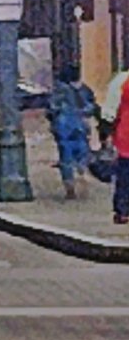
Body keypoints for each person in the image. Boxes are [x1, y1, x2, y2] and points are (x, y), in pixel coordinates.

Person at [47, 63, 98, 200]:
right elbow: (92, 107)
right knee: (82, 154)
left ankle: (70, 186)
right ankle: (82, 178)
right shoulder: (85, 89)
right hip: (81, 127)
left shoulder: (58, 91)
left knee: (66, 158)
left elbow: (51, 109)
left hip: (63, 129)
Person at [101, 64, 129, 224]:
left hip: (126, 137)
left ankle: (123, 210)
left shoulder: (122, 80)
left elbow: (110, 110)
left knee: (125, 176)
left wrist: (104, 134)